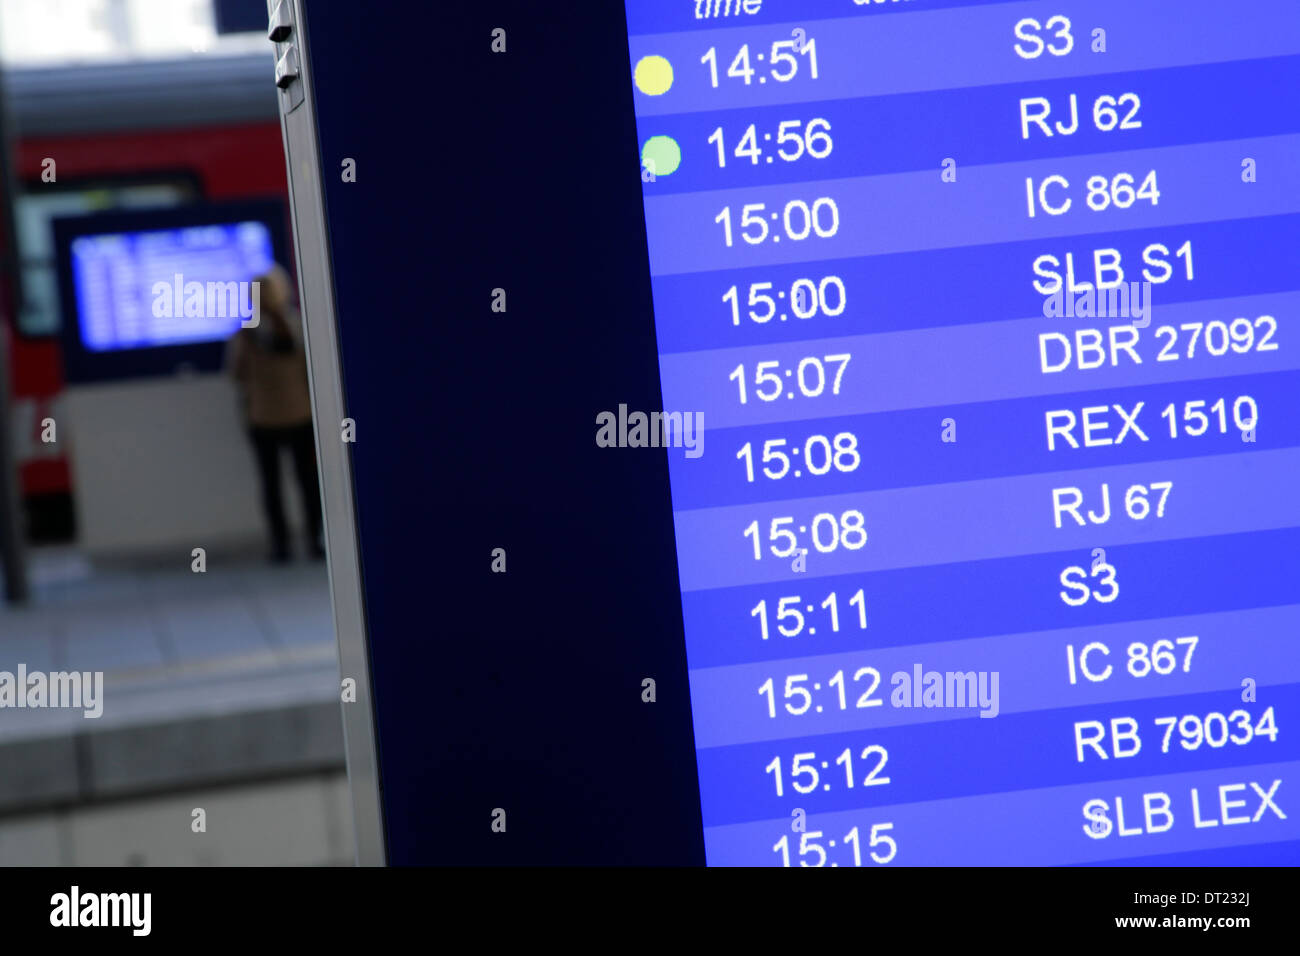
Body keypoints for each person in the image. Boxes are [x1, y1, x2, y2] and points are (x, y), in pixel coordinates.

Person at [226, 264, 324, 562]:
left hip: (276, 416)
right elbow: (311, 371)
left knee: (287, 483)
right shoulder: (286, 327)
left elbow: (237, 374)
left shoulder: (259, 331)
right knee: (295, 483)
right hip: (286, 415)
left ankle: (295, 543)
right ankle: (301, 541)